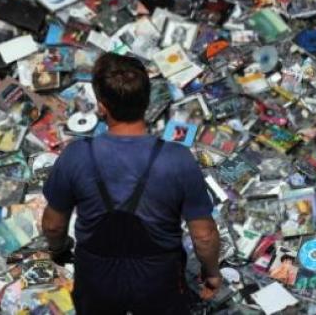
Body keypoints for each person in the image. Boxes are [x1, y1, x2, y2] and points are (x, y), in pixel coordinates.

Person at [42, 53, 222, 315]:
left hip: (96, 278)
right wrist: (211, 272)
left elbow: (53, 225)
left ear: (102, 107)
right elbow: (204, 236)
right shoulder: (177, 158)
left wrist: (59, 249)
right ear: (147, 102)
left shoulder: (76, 155)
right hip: (158, 279)